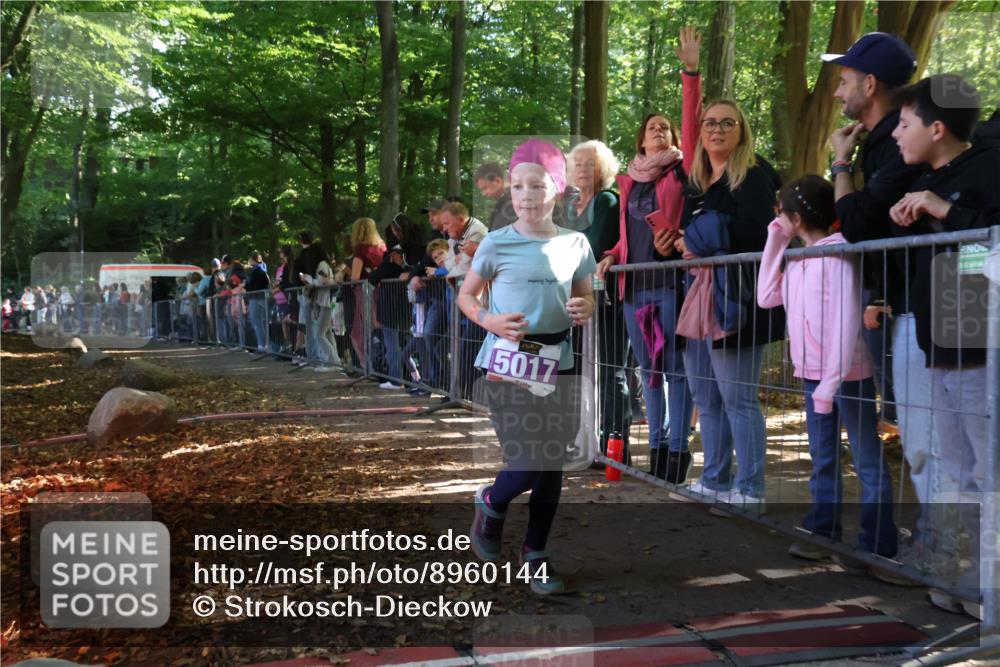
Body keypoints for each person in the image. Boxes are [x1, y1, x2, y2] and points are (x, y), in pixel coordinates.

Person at [462, 138, 597, 595]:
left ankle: (535, 553)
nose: (525, 196)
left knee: (553, 464)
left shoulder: (576, 242)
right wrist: (490, 319)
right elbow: (467, 296)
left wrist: (585, 308)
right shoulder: (496, 244)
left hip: (559, 363)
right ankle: (492, 500)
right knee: (529, 461)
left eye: (536, 186)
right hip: (507, 367)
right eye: (518, 187)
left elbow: (586, 294)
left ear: (555, 190)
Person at [889, 74, 997, 620]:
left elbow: (989, 238)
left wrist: (942, 209)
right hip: (940, 346)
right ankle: (962, 577)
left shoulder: (988, 168)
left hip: (980, 346)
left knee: (988, 469)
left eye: (904, 124)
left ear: (936, 127)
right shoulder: (928, 178)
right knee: (953, 467)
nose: (895, 136)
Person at [758, 175, 901, 581]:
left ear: (797, 216)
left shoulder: (838, 255)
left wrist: (831, 382)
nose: (778, 219)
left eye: (780, 215)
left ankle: (878, 544)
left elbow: (844, 322)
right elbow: (767, 296)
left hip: (846, 374)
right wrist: (775, 240)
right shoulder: (799, 257)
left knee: (866, 458)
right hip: (813, 374)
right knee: (823, 457)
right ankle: (823, 530)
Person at [667, 28, 784, 509]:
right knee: (705, 396)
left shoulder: (754, 174)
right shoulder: (696, 179)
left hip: (737, 301)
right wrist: (683, 241)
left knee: (738, 398)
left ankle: (750, 488)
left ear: (742, 131)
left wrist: (699, 238)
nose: (716, 129)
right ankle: (714, 478)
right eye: (711, 122)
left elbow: (759, 234)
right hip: (698, 299)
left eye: (727, 123)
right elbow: (702, 232)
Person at [595, 28, 702, 481]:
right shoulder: (628, 182)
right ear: (640, 142)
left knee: (676, 371)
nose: (659, 130)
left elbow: (694, 127)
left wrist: (690, 73)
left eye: (666, 127)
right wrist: (610, 255)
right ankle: (656, 447)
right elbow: (627, 235)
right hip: (633, 290)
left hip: (672, 286)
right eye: (651, 128)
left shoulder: (680, 172)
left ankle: (677, 452)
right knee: (648, 371)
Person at [565, 139, 634, 466]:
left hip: (606, 299)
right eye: (576, 163)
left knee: (610, 370)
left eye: (588, 163)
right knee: (579, 368)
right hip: (576, 300)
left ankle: (615, 444)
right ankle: (584, 440)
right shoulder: (568, 206)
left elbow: (588, 247)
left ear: (602, 169)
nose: (581, 169)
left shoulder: (607, 201)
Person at [347, 218, 386, 371]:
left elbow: (355, 277)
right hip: (382, 290)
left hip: (365, 291)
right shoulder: (382, 247)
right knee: (376, 326)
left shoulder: (360, 249)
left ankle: (369, 367)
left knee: (362, 331)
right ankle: (378, 365)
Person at [475, 162, 518, 231]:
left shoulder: (515, 205)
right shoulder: (502, 204)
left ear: (497, 181)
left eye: (485, 188)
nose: (484, 194)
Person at [245, 252, 271, 352]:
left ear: (253, 259)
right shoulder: (261, 270)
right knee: (259, 321)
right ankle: (263, 344)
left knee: (257, 322)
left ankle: (262, 344)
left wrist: (246, 286)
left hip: (257, 298)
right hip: (257, 298)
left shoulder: (258, 271)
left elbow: (254, 285)